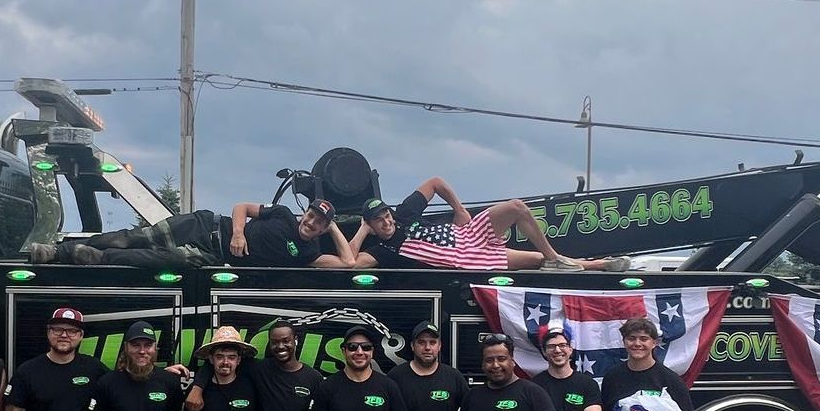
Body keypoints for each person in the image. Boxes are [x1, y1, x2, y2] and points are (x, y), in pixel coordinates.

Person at [319, 181, 628, 272]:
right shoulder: (384, 250)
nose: (386, 222)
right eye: (378, 221)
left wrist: (460, 209)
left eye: (386, 216)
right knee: (535, 262)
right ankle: (601, 265)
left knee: (517, 206)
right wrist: (362, 230)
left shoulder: (406, 212)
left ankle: (557, 255)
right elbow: (352, 262)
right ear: (372, 224)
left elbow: (436, 182)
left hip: (466, 233)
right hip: (464, 260)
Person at [31, 199, 352, 270]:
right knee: (133, 237)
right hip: (203, 225)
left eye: (319, 222)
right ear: (305, 212)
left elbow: (348, 264)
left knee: (146, 258)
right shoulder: (281, 213)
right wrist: (238, 234)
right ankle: (58, 250)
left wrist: (335, 225)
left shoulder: (310, 255)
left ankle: (88, 256)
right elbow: (241, 206)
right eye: (311, 214)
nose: (311, 222)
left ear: (323, 228)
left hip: (210, 257)